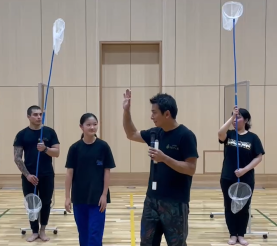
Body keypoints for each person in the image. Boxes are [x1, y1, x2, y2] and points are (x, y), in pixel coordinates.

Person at [122, 89, 199, 246]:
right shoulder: (155, 133)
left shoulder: (186, 135)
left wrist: (164, 158)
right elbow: (131, 134)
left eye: (154, 112)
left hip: (176, 203)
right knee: (147, 243)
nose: (151, 116)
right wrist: (126, 110)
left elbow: (191, 168)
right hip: (152, 200)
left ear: (167, 114)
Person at [64, 113, 116, 246]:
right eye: (88, 125)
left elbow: (107, 171)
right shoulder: (75, 148)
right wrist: (67, 197)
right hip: (79, 197)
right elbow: (69, 173)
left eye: (95, 124)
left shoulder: (103, 147)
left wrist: (104, 195)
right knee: (83, 233)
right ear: (81, 127)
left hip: (97, 198)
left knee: (95, 234)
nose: (92, 127)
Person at [218, 106, 265, 246]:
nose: (234, 120)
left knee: (244, 207)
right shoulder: (230, 135)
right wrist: (232, 116)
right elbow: (220, 133)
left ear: (246, 120)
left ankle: (241, 235)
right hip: (228, 177)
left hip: (246, 178)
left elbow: (259, 157)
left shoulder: (253, 138)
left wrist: (245, 169)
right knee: (229, 206)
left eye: (238, 117)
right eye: (233, 117)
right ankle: (233, 234)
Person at [13, 105, 60, 242]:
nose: (39, 117)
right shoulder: (22, 134)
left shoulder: (49, 132)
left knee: (46, 202)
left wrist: (45, 149)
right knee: (31, 203)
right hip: (29, 176)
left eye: (40, 114)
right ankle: (34, 231)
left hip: (46, 174)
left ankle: (43, 230)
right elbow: (17, 158)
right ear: (28, 116)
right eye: (35, 114)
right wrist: (27, 175)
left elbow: (57, 153)